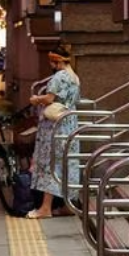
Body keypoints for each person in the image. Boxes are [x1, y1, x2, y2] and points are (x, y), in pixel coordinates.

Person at [27, 45, 81, 219]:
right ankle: (68, 205)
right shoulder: (75, 77)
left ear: (56, 61)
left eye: (51, 61)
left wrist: (36, 99)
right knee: (66, 163)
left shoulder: (59, 77)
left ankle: (45, 208)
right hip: (70, 123)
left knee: (50, 163)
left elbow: (49, 98)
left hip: (54, 125)